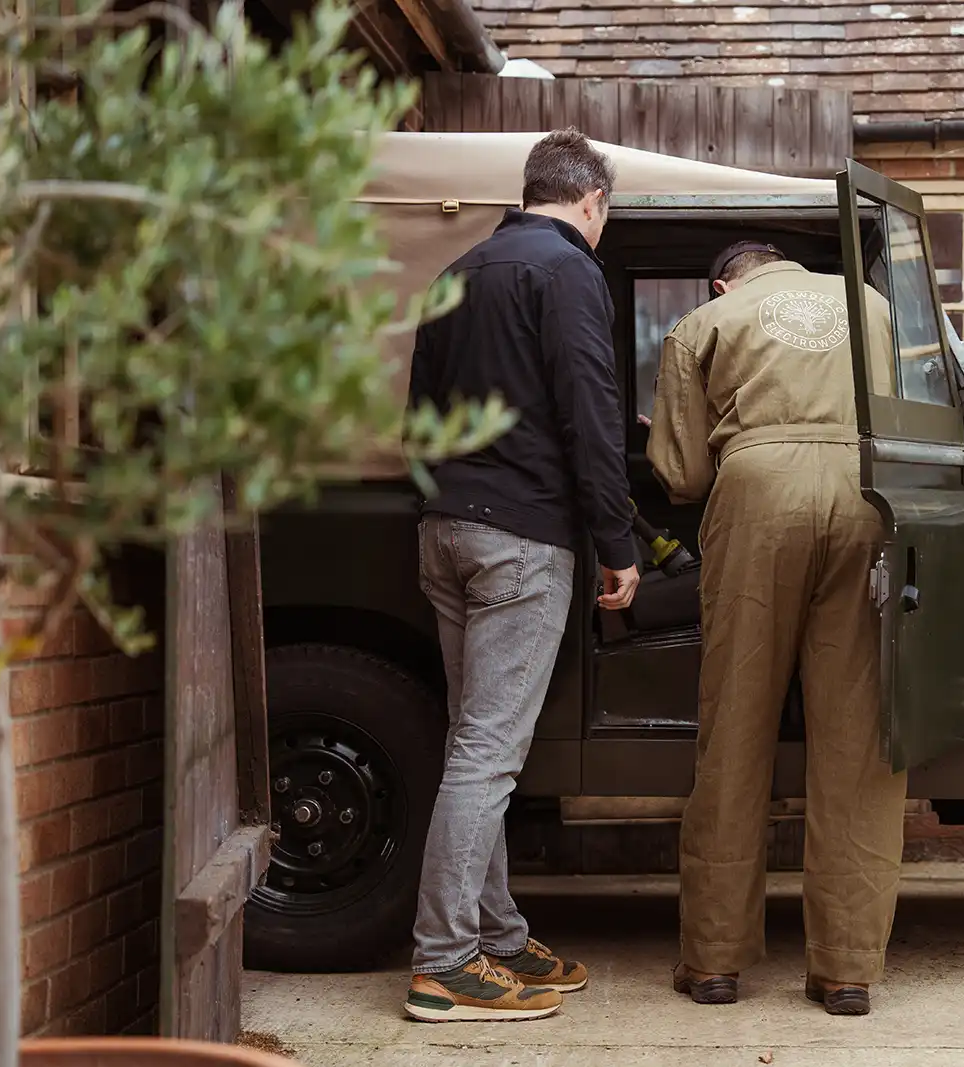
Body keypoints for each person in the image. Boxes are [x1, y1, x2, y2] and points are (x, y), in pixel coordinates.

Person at [401, 129, 640, 1023]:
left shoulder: (458, 269)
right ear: (591, 202)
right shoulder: (568, 269)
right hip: (521, 540)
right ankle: (445, 959)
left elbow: (418, 413)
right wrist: (618, 541)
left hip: (445, 531)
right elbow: (591, 411)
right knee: (488, 754)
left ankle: (496, 936)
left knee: (475, 743)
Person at [647, 241, 904, 1017]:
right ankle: (848, 971)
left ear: (727, 279)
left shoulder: (704, 320)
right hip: (868, 495)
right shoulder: (879, 309)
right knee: (858, 740)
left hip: (757, 495)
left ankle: (716, 961)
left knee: (735, 726)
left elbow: (684, 475)